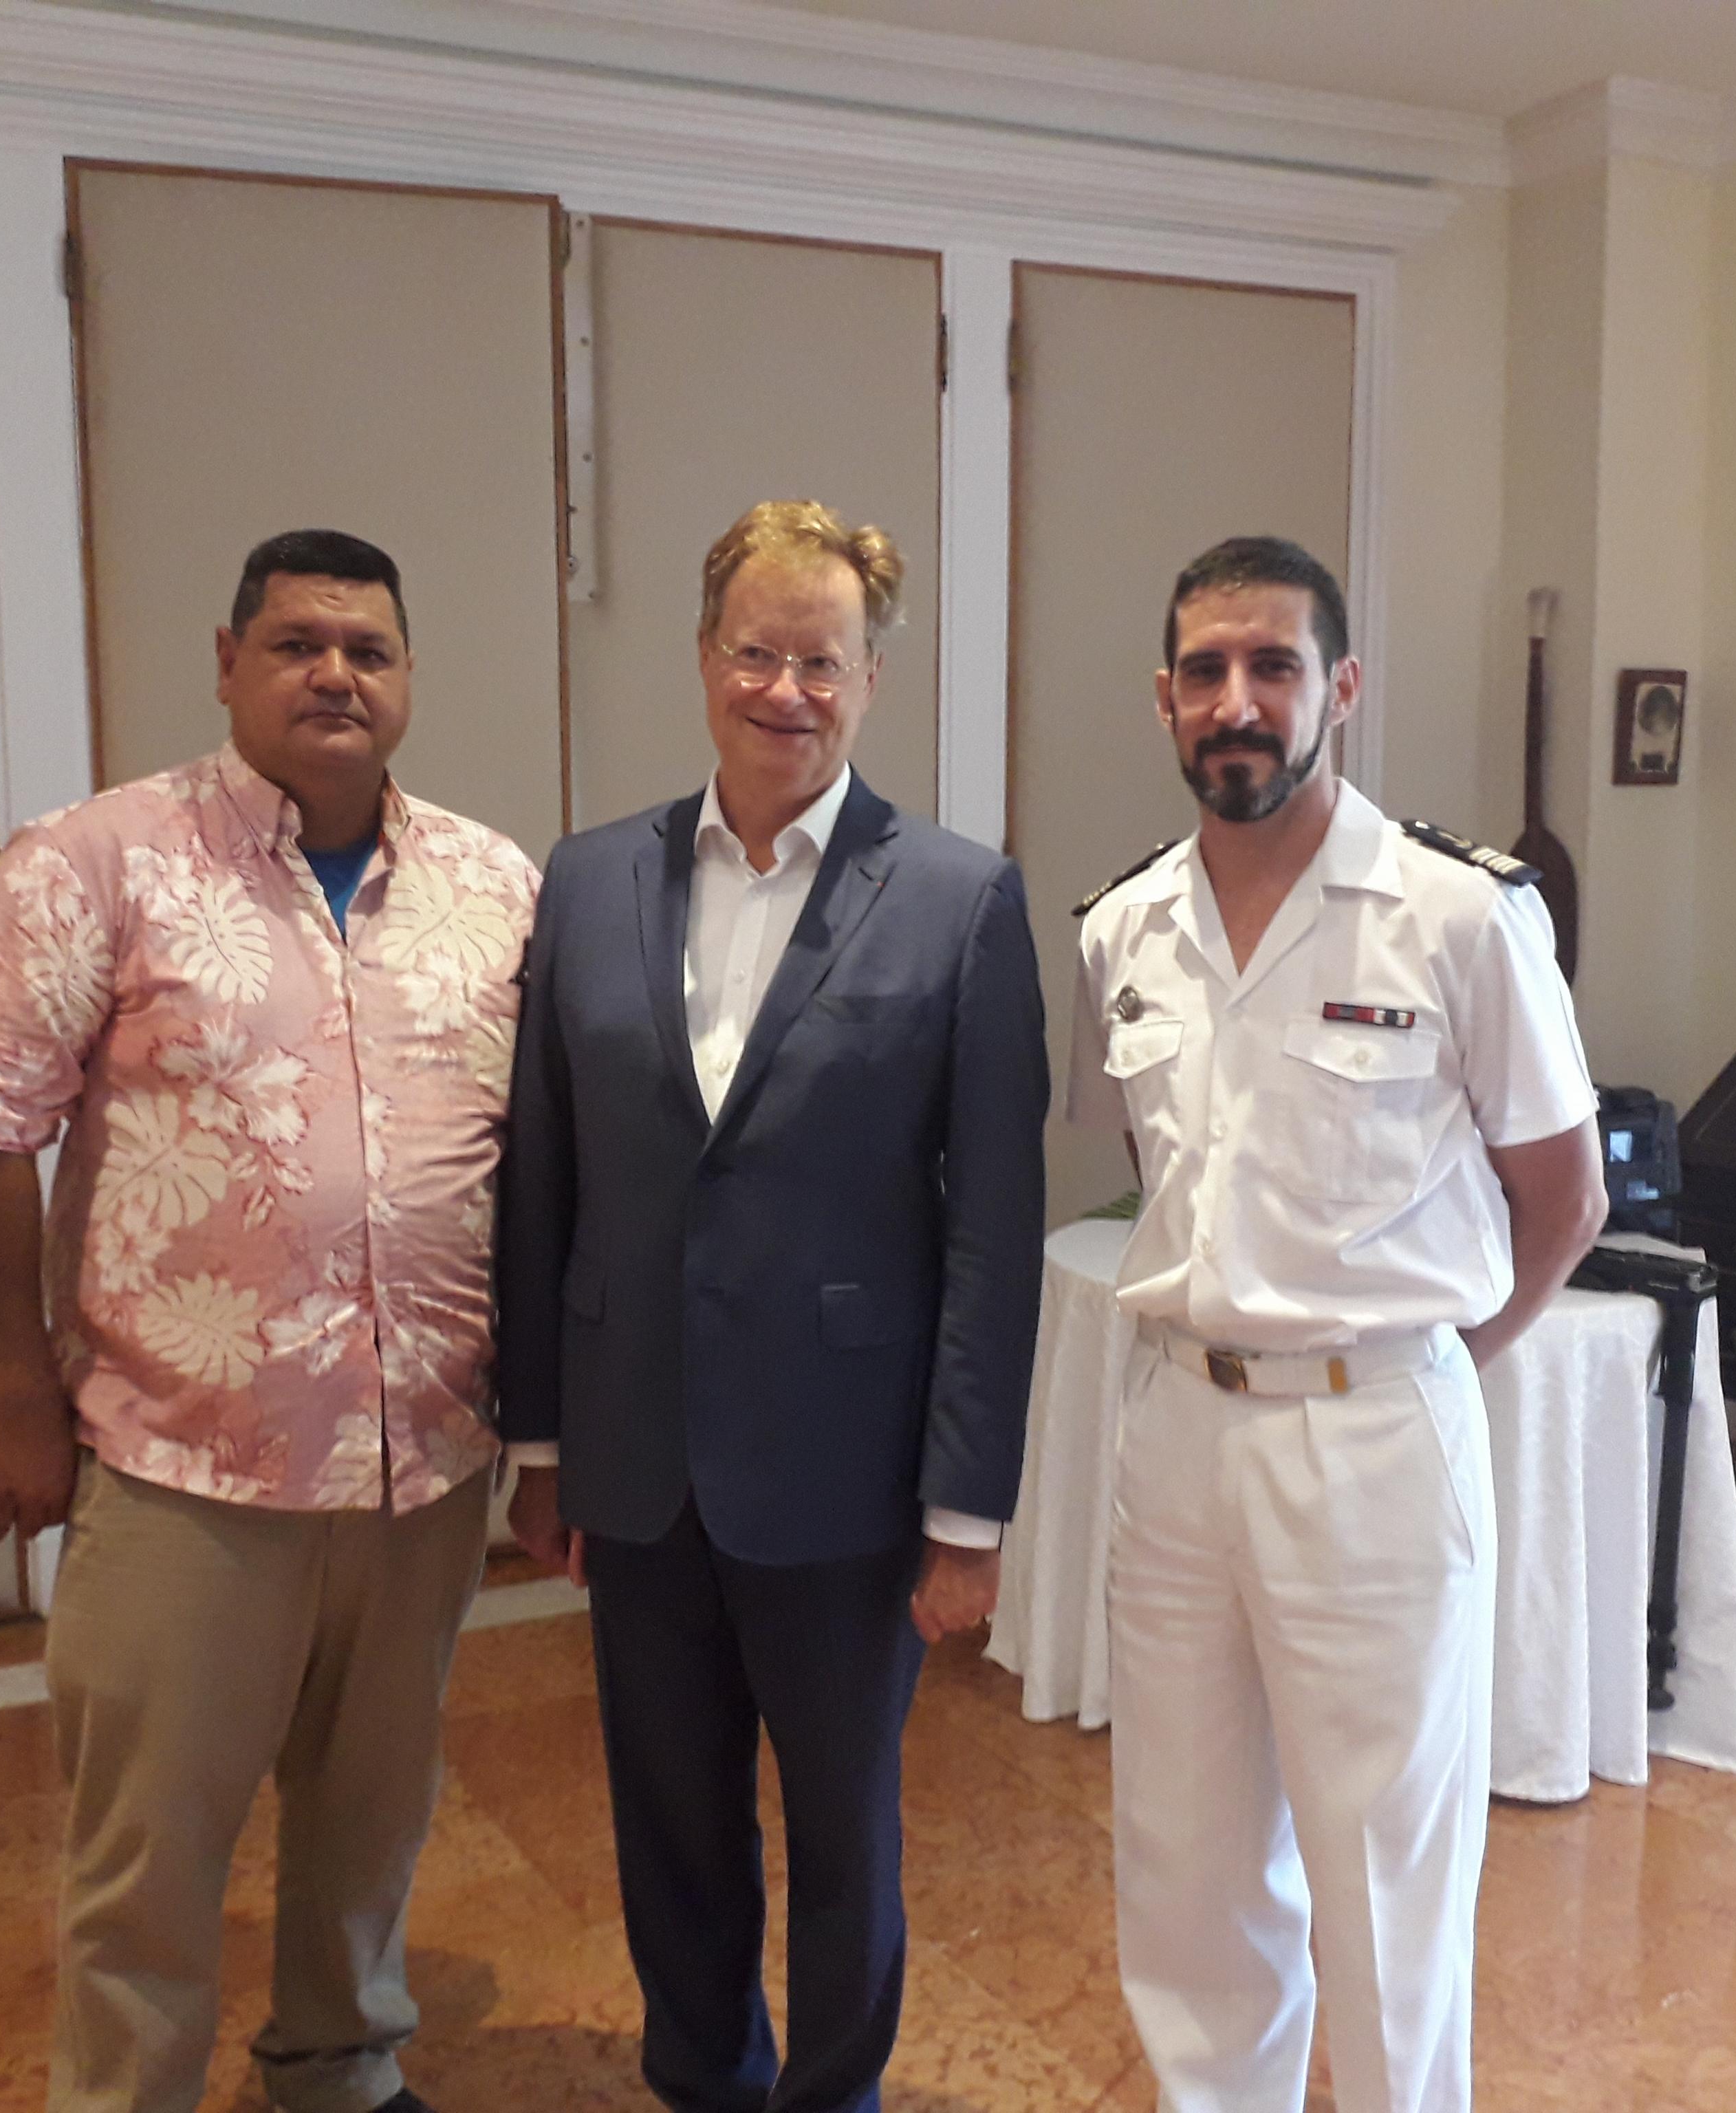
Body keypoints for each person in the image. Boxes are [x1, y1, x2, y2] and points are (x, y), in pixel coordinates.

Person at [0, 529, 536, 2113]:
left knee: (371, 1817)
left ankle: (341, 2064)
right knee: (150, 1852)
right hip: (191, 1469)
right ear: (228, 661)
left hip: (425, 1468)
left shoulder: (496, 884)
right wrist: (10, 1397)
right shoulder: (94, 864)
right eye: (299, 642)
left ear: (407, 681)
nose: (336, 672)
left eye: (369, 649)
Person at [496, 499, 1048, 2113]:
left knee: (842, 1823)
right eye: (757, 649)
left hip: (848, 1471)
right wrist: (543, 1437)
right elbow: (547, 1176)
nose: (785, 688)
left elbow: (994, 1230)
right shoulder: (589, 880)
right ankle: (703, 2075)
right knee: (666, 1811)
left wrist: (967, 1505)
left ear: (871, 676)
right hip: (639, 1453)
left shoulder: (958, 896)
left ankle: (833, 2090)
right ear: (703, 657)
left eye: (823, 658)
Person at [1070, 537, 1605, 2113]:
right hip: (1175, 1428)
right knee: (1183, 1860)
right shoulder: (1123, 929)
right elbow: (1163, 1170)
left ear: (1339, 690)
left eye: (1275, 665)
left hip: (1372, 1434)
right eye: (1207, 670)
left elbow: (1559, 1195)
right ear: (1165, 698)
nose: (1238, 700)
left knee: (1384, 1878)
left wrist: (1423, 1359)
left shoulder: (1457, 915)